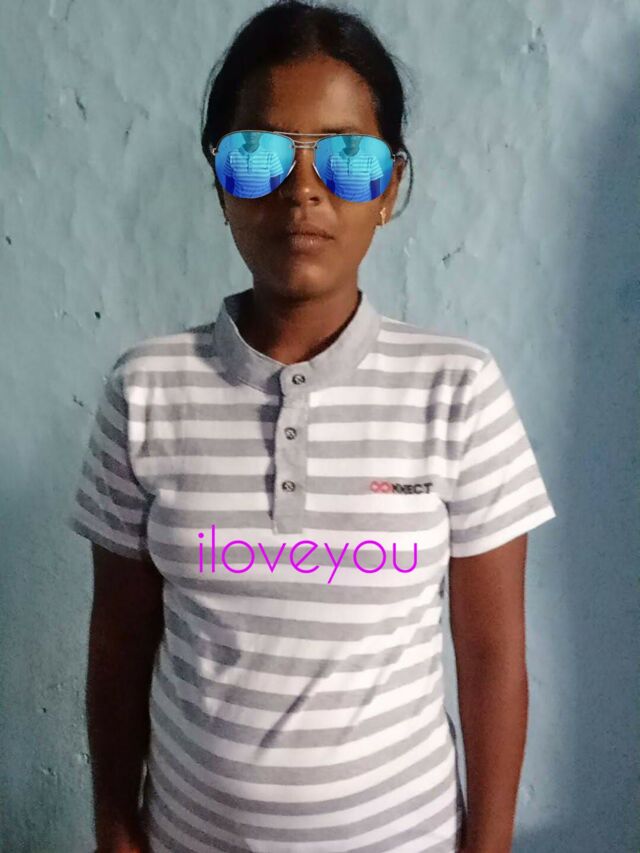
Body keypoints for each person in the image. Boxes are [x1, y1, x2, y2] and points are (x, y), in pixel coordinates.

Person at [67, 2, 557, 851]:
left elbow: (491, 658)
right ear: (220, 182)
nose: (303, 190)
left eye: (348, 157)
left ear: (390, 188)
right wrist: (115, 832)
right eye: (258, 154)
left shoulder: (459, 389)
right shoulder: (145, 390)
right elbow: (118, 645)